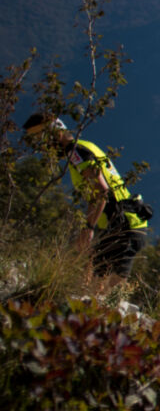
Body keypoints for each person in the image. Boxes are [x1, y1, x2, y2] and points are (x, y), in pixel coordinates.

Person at [21, 112, 150, 291]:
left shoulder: (75, 151)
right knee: (98, 289)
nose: (42, 147)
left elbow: (101, 191)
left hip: (123, 226)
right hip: (127, 224)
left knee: (99, 294)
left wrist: (88, 228)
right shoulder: (85, 146)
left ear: (52, 133)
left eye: (39, 139)